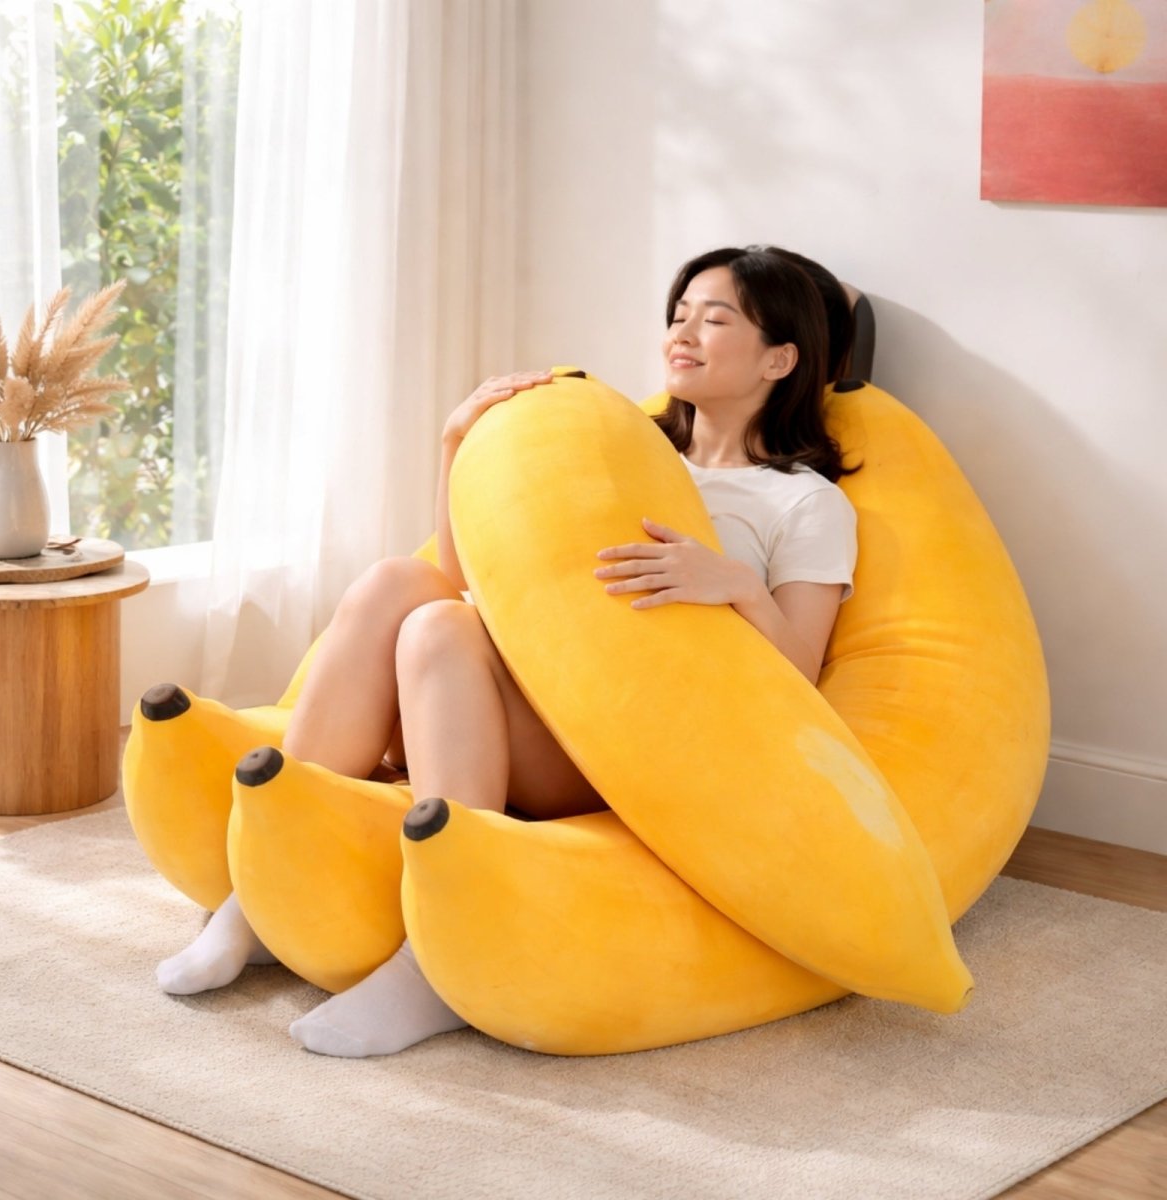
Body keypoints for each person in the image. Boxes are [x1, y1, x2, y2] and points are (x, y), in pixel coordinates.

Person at [154, 245, 859, 1056]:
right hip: (512, 697)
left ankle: (437, 964)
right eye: (678, 314)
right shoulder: (619, 446)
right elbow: (460, 574)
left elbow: (802, 676)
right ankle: (257, 898)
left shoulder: (804, 502)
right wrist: (456, 444)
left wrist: (733, 583)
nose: (683, 333)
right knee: (399, 586)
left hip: (617, 751)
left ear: (781, 356)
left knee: (439, 625)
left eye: (716, 317)